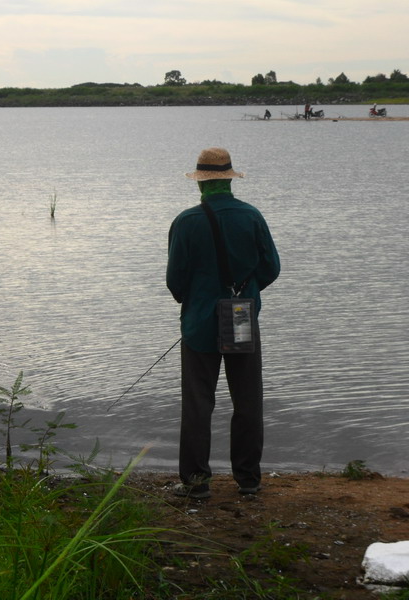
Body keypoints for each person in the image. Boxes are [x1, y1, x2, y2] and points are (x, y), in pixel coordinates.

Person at [166, 147, 280, 499]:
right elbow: (271, 268)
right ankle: (248, 480)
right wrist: (243, 293)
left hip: (199, 323)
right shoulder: (251, 216)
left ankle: (197, 484)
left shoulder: (186, 221)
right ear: (229, 180)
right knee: (247, 400)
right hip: (241, 315)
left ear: (201, 184)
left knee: (199, 403)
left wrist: (200, 299)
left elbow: (175, 281)